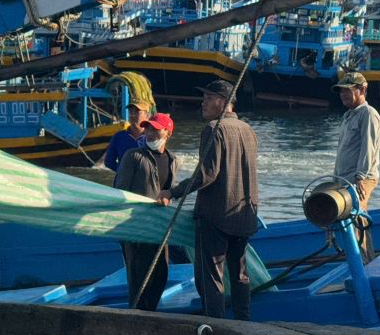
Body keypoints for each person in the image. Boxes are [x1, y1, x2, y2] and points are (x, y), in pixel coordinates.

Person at [158, 80, 259, 320]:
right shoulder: (248, 130)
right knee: (239, 274)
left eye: (208, 97)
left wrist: (171, 192)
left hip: (216, 216)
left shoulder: (214, 128)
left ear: (223, 102)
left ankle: (215, 327)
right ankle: (244, 323)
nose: (202, 102)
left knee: (211, 277)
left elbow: (206, 174)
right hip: (244, 214)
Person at [113, 113, 178, 311]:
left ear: (167, 133)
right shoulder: (133, 156)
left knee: (161, 274)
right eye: (147, 128)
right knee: (139, 277)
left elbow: (169, 191)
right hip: (136, 228)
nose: (150, 133)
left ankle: (150, 312)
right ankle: (137, 315)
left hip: (159, 227)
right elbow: (119, 190)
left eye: (155, 129)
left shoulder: (173, 160)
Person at [332, 71, 380, 257]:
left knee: (356, 222)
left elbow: (369, 147)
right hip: (345, 179)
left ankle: (364, 265)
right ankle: (362, 263)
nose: (343, 95)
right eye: (341, 91)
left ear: (362, 90)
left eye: (348, 90)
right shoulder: (347, 116)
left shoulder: (368, 114)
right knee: (352, 223)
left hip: (360, 179)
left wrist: (361, 176)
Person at [96, 100, 150, 171]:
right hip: (124, 180)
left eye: (137, 112)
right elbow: (109, 161)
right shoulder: (119, 136)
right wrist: (122, 172)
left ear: (147, 116)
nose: (133, 115)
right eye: (131, 111)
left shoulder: (151, 137)